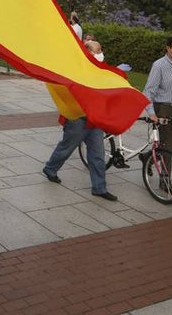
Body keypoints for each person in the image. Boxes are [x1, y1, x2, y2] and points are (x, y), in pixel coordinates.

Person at [39, 39, 118, 201]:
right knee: (67, 147)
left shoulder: (99, 70)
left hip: (94, 119)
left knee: (97, 153)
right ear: (86, 52)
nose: (100, 54)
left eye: (100, 50)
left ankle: (99, 187)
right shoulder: (75, 70)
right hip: (77, 118)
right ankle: (50, 168)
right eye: (96, 51)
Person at [142, 36, 172, 153]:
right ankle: (165, 171)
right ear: (168, 49)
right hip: (164, 109)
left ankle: (149, 157)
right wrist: (152, 113)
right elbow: (148, 91)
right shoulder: (159, 65)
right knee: (167, 145)